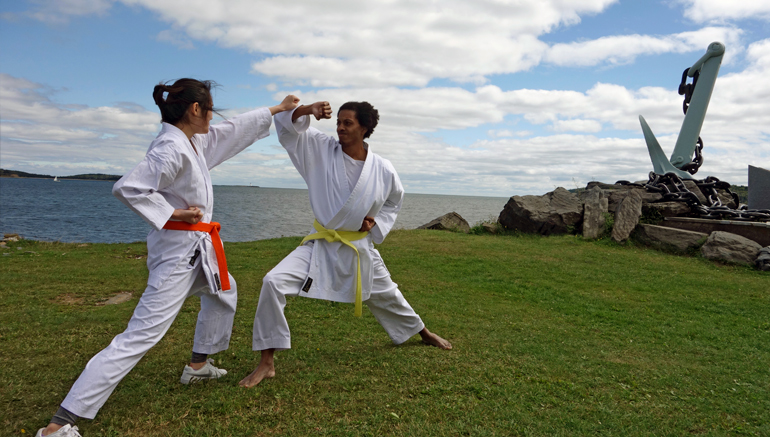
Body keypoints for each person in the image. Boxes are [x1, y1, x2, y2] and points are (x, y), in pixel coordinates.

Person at [35, 78, 299, 437]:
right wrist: (173, 214)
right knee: (141, 334)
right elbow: (128, 187)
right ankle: (60, 422)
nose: (213, 118)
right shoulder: (170, 148)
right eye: (209, 110)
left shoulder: (190, 141)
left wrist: (277, 109)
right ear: (195, 109)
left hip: (198, 250)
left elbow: (230, 130)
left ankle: (198, 365)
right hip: (178, 256)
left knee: (224, 293)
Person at [239, 100, 452, 388]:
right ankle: (267, 362)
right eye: (338, 122)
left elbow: (394, 201)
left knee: (388, 293)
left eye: (347, 123)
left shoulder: (383, 169)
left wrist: (374, 223)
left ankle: (423, 333)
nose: (339, 128)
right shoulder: (319, 149)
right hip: (322, 244)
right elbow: (287, 128)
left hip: (357, 247)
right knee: (273, 282)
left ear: (364, 128)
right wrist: (306, 111)